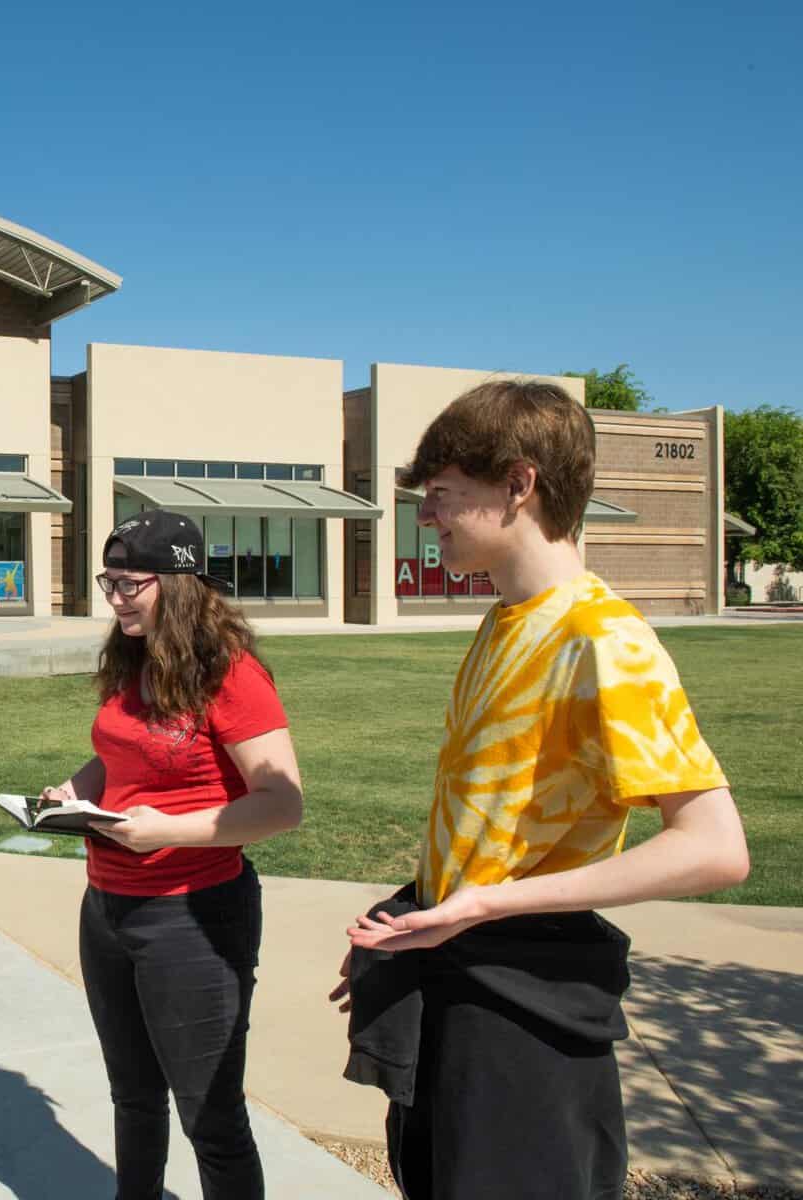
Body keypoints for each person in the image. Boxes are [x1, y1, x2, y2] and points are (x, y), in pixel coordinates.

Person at [330, 380, 749, 1200]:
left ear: (519, 485)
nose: (428, 516)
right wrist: (411, 913)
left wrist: (481, 906)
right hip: (456, 974)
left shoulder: (605, 639)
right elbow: (492, 821)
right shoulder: (502, 620)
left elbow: (715, 848)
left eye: (444, 495)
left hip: (527, 1007)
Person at [41, 509, 304, 1200]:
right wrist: (78, 787)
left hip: (193, 918)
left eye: (131, 583)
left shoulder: (233, 676)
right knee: (133, 1098)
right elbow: (121, 754)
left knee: (210, 1117)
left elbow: (282, 804)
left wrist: (168, 831)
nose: (117, 598)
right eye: (110, 582)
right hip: (107, 909)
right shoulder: (137, 657)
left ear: (179, 583)